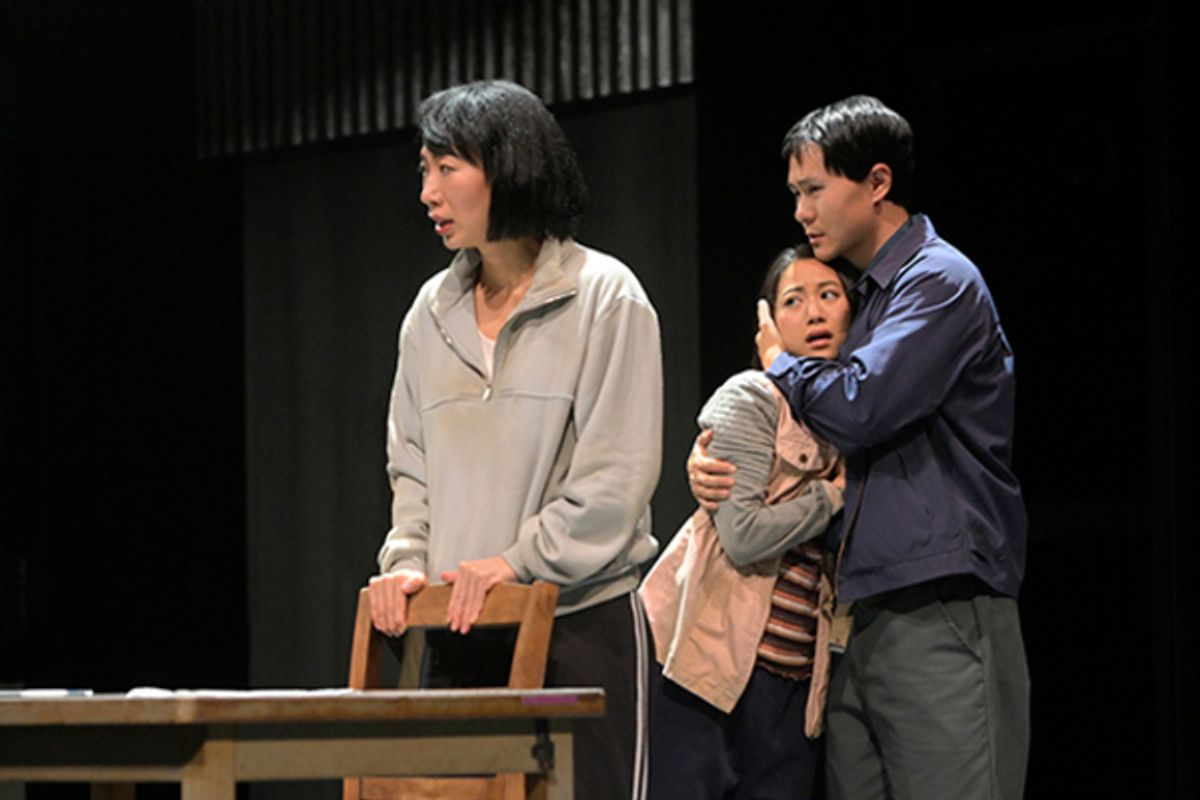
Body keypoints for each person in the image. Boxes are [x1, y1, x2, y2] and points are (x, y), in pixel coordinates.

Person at [689, 95, 1030, 800]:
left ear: (877, 182)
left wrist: (780, 364)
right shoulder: (863, 302)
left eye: (814, 190)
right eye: (795, 194)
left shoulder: (937, 280)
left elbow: (861, 406)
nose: (801, 212)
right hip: (852, 618)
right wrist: (718, 462)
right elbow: (808, 444)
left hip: (937, 603)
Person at [368, 80, 662, 800]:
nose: (428, 193)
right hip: (461, 632)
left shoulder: (605, 296)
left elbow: (615, 479)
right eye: (424, 171)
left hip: (580, 626)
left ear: (507, 166)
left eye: (447, 168)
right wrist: (408, 562)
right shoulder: (430, 314)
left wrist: (516, 561)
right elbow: (411, 470)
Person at [641, 245, 853, 800]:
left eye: (829, 295)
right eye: (794, 300)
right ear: (769, 323)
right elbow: (744, 536)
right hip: (710, 669)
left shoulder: (857, 423)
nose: (814, 312)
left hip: (794, 683)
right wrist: (831, 497)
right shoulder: (753, 397)